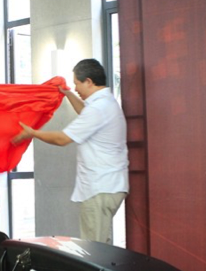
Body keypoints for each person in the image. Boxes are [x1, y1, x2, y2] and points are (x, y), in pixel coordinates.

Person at [13, 58, 128, 244]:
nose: (75, 88)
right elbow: (85, 111)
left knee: (94, 249)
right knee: (101, 245)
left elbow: (63, 139)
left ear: (88, 81)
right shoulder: (105, 103)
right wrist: (67, 94)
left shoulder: (98, 109)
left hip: (99, 187)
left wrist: (33, 133)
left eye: (77, 84)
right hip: (108, 186)